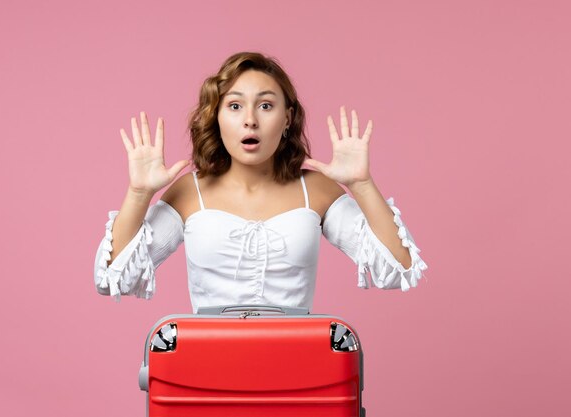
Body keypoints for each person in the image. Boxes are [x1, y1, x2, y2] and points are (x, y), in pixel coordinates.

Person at [93, 51, 427, 313]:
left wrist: (362, 184)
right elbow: (113, 280)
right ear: (217, 117)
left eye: (266, 105)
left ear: (287, 118)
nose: (250, 120)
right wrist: (139, 193)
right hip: (207, 368)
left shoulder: (317, 190)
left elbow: (399, 270)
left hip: (296, 369)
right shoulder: (189, 193)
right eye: (235, 106)